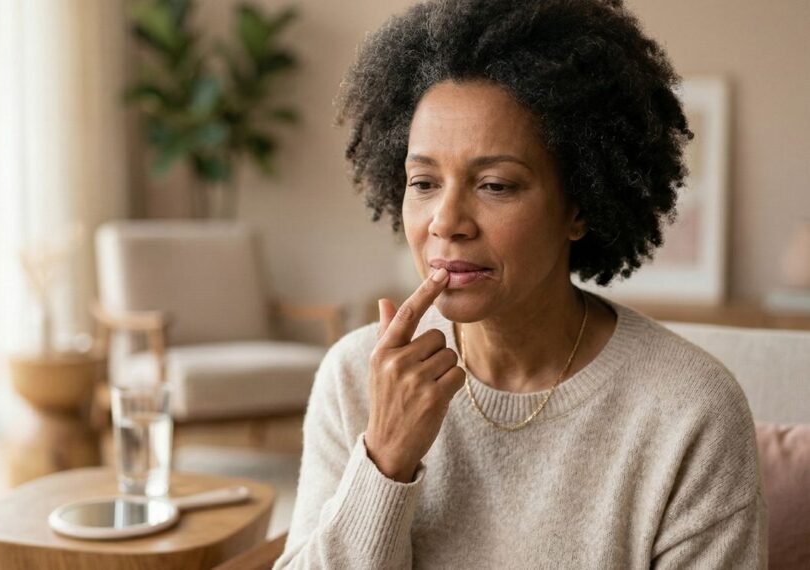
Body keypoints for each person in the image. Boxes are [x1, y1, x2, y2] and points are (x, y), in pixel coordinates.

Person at [274, 0, 767, 567]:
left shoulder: (692, 413)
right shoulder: (356, 377)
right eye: (423, 182)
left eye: (497, 185)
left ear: (578, 207)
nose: (446, 222)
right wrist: (385, 461)